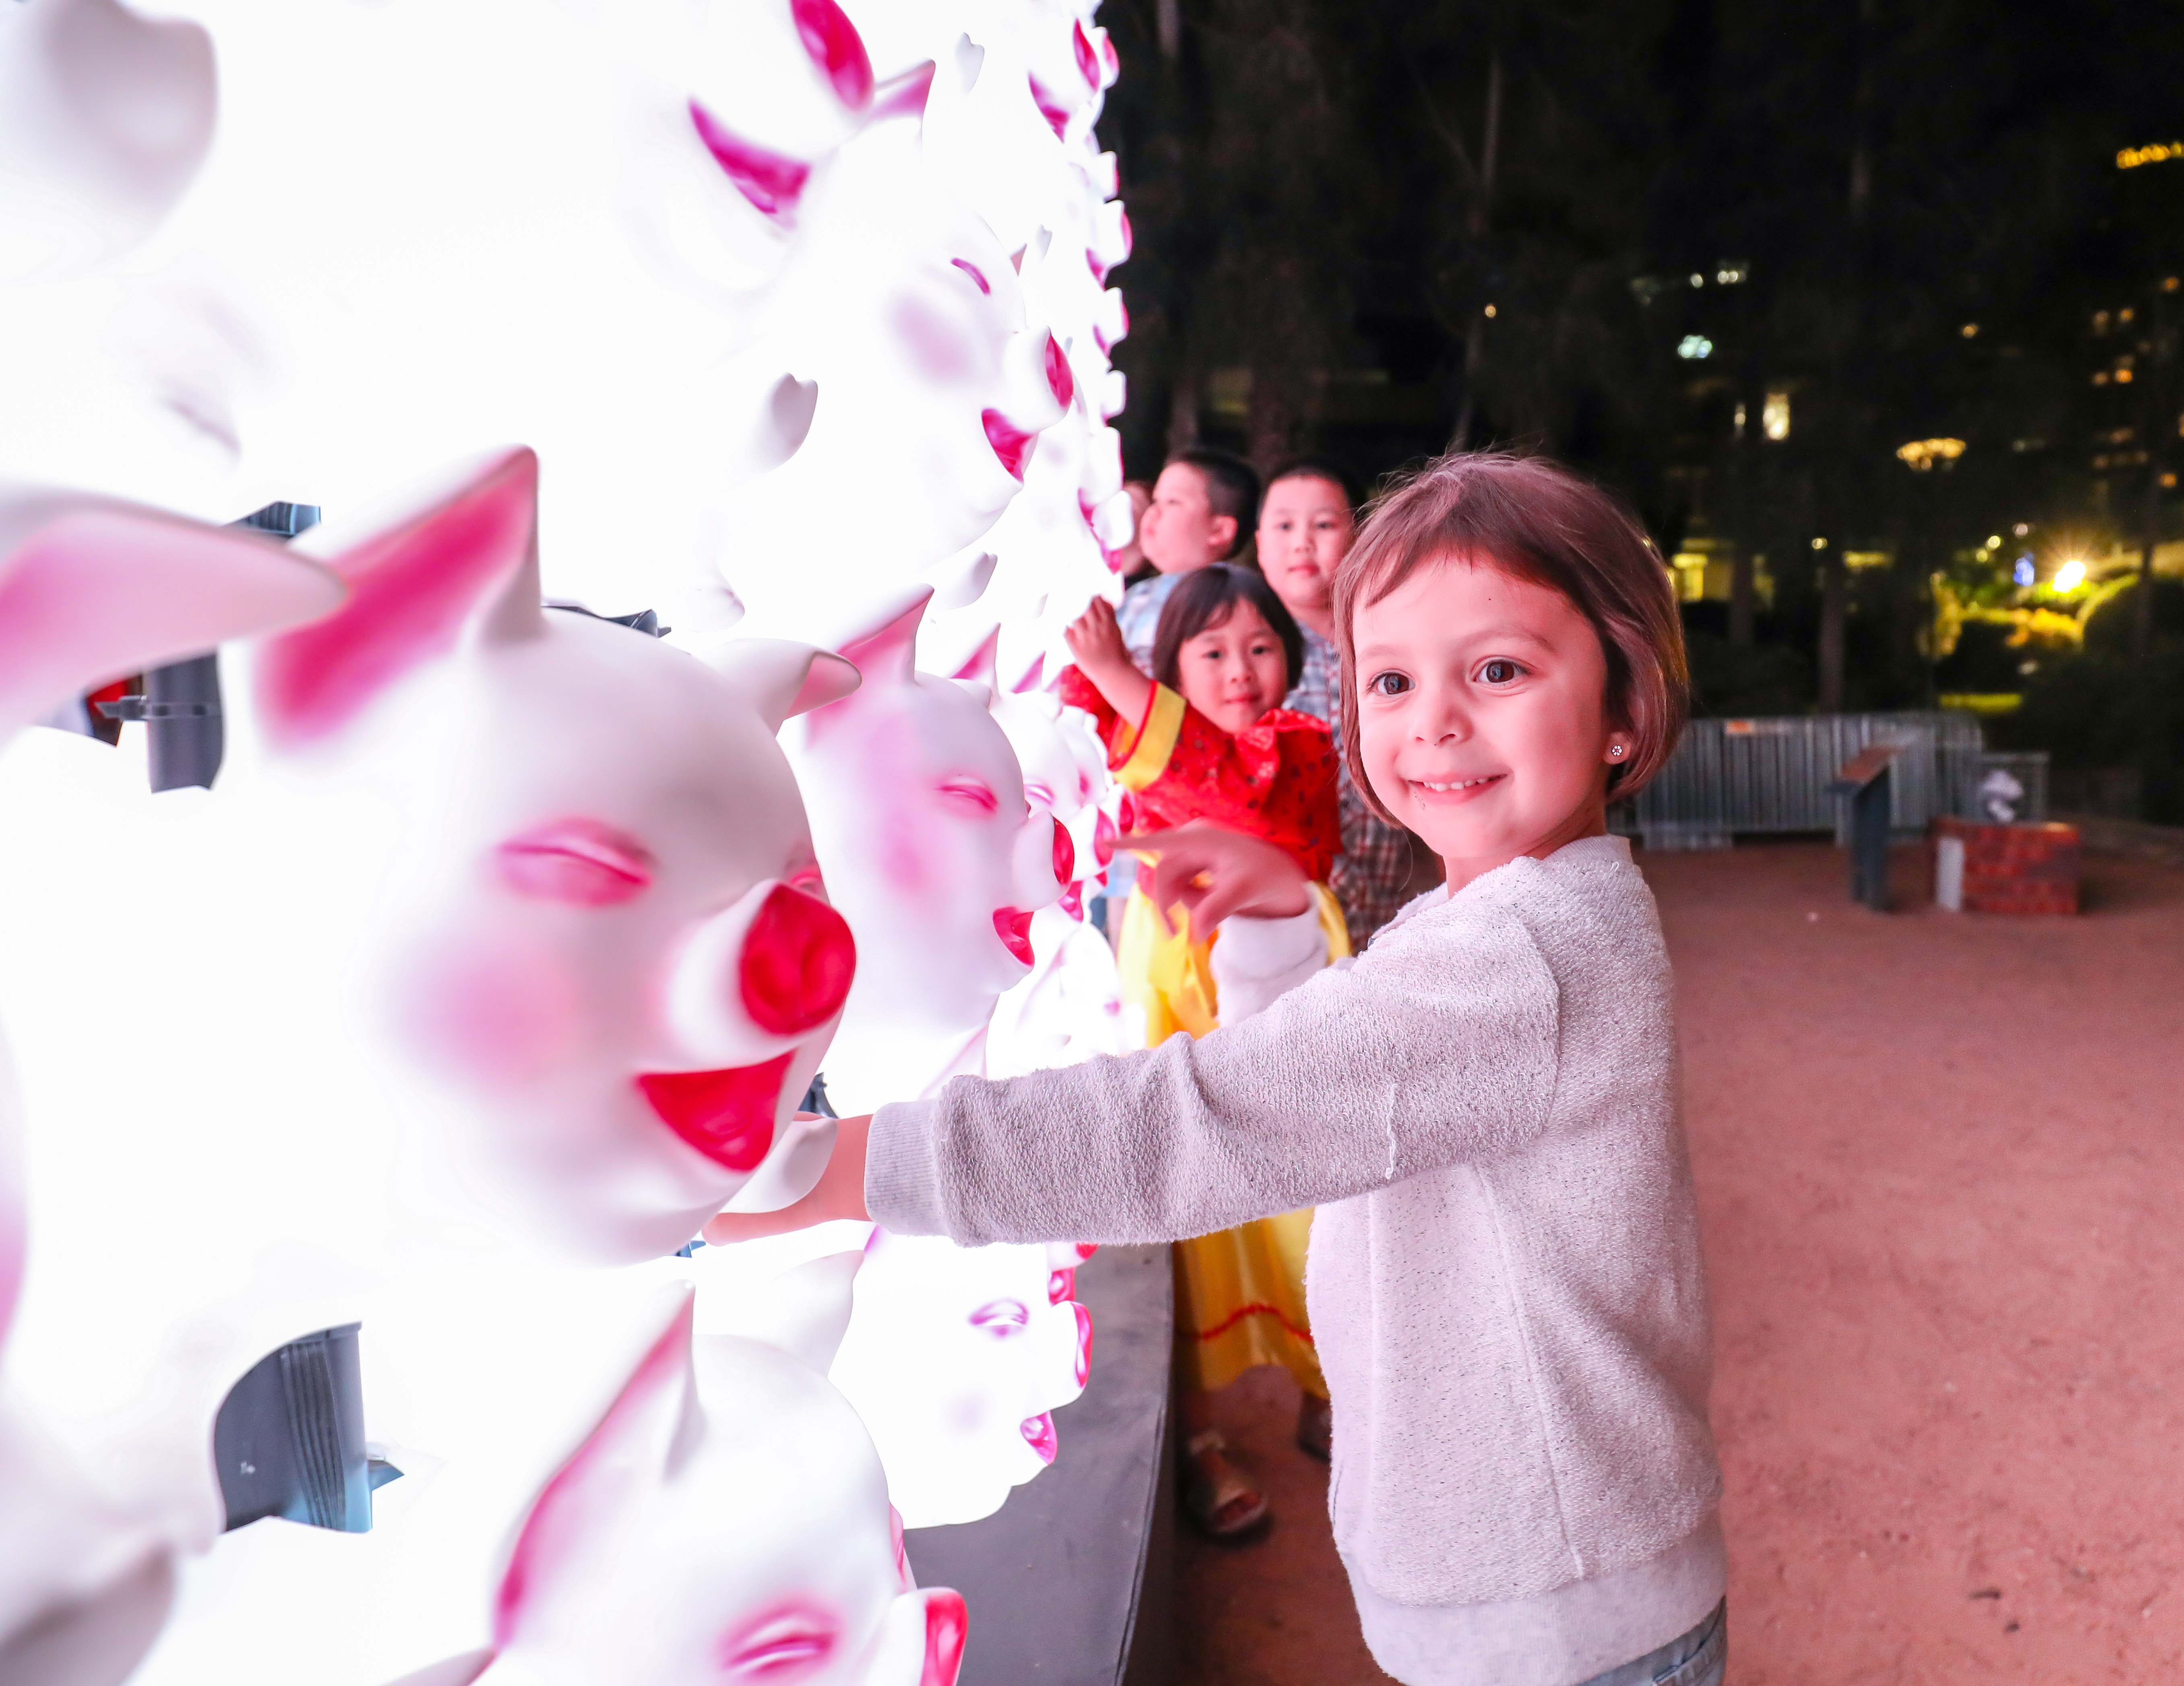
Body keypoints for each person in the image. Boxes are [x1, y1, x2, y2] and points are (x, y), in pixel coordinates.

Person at [712, 452, 1726, 1686]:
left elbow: (1210, 1123)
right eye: (1392, 679)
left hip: (1555, 1613)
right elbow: (1369, 1094)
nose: (1435, 721)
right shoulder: (1516, 919)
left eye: (1499, 670)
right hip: (1553, 1575)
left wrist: (841, 1164)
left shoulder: (1523, 954)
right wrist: (1277, 917)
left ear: (1627, 704)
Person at [1056, 564, 1343, 1538]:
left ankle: (1328, 1386)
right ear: (1174, 663)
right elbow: (1071, 718)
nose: (1241, 669)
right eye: (1211, 650)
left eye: (1260, 646)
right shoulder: (1133, 730)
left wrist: (1121, 676)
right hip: (1168, 974)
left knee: (1317, 1195)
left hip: (1282, 960)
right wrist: (1079, 644)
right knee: (1184, 1203)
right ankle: (1200, 1437)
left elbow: (1236, 790)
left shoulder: (1296, 743)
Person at [1256, 457, 1420, 948]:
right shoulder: (1237, 653)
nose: (1301, 541)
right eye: (1283, 525)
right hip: (1282, 916)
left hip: (1383, 909)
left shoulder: (1396, 642)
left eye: (1324, 524)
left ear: (1359, 536)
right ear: (1260, 542)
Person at [1116, 447, 1259, 671]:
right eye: (1155, 501)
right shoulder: (1135, 596)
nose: (1153, 513)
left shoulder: (1232, 605)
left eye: (1172, 502)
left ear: (1219, 530)